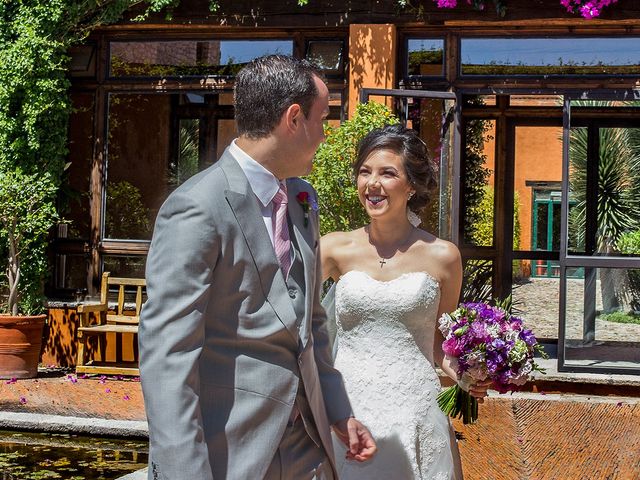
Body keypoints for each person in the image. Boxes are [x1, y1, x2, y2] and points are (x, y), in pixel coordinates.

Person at [138, 55, 376, 480]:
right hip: (232, 451)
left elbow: (311, 319)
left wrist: (337, 411)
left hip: (309, 446)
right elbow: (168, 357)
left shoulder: (303, 199)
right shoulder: (197, 208)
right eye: (323, 120)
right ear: (294, 118)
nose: (325, 134)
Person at [320, 124, 490, 480]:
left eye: (387, 173)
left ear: (411, 185)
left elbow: (439, 343)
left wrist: (467, 375)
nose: (372, 183)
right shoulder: (332, 248)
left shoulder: (443, 257)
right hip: (346, 406)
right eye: (364, 172)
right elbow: (295, 319)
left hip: (414, 405)